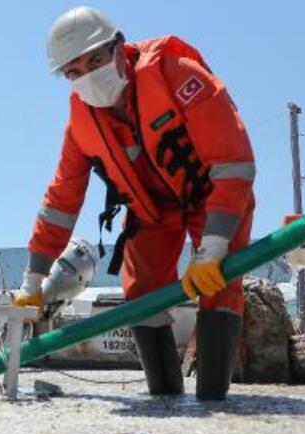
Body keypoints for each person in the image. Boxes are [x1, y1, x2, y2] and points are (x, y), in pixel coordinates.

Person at [14, 7, 255, 400]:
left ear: (119, 47)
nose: (88, 75)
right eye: (74, 71)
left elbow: (233, 162)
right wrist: (34, 278)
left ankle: (214, 400)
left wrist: (213, 247)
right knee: (141, 292)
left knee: (220, 281)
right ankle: (165, 398)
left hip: (211, 195)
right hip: (151, 211)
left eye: (95, 59)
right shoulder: (81, 125)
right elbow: (61, 201)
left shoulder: (178, 73)